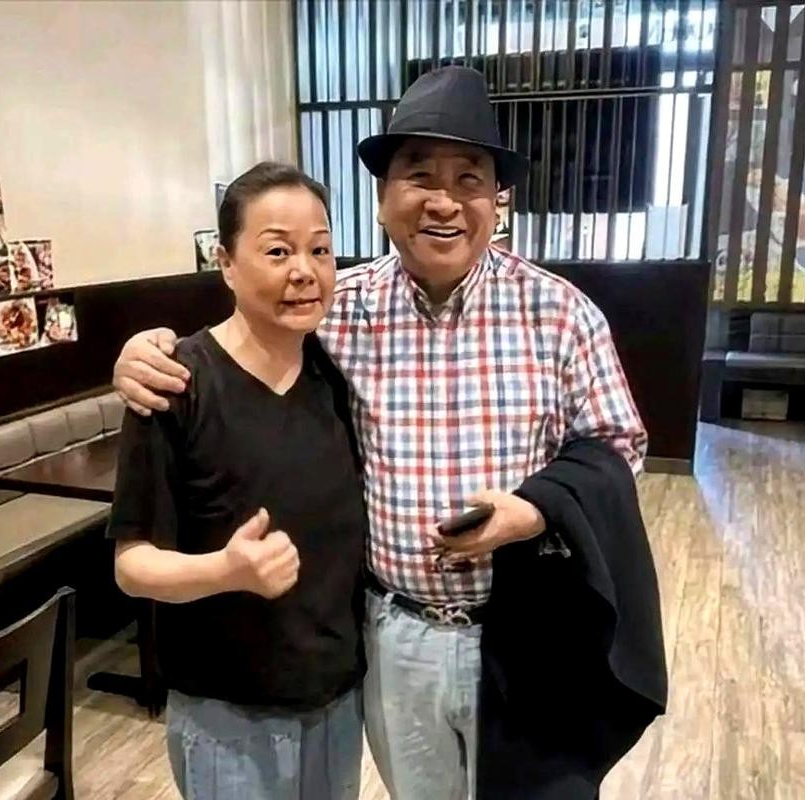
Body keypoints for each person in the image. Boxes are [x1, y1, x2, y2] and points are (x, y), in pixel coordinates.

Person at [112, 67, 652, 799]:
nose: (443, 201)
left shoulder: (561, 313)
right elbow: (248, 334)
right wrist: (143, 353)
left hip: (524, 630)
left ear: (498, 200)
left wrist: (532, 511)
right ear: (383, 197)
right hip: (394, 637)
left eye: (469, 179)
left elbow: (619, 447)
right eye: (419, 175)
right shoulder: (342, 308)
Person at [107, 162, 367, 800]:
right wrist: (226, 570)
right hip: (228, 717)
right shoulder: (175, 382)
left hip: (337, 705)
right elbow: (132, 565)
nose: (304, 270)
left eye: (320, 250)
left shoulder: (338, 378)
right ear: (225, 262)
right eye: (277, 251)